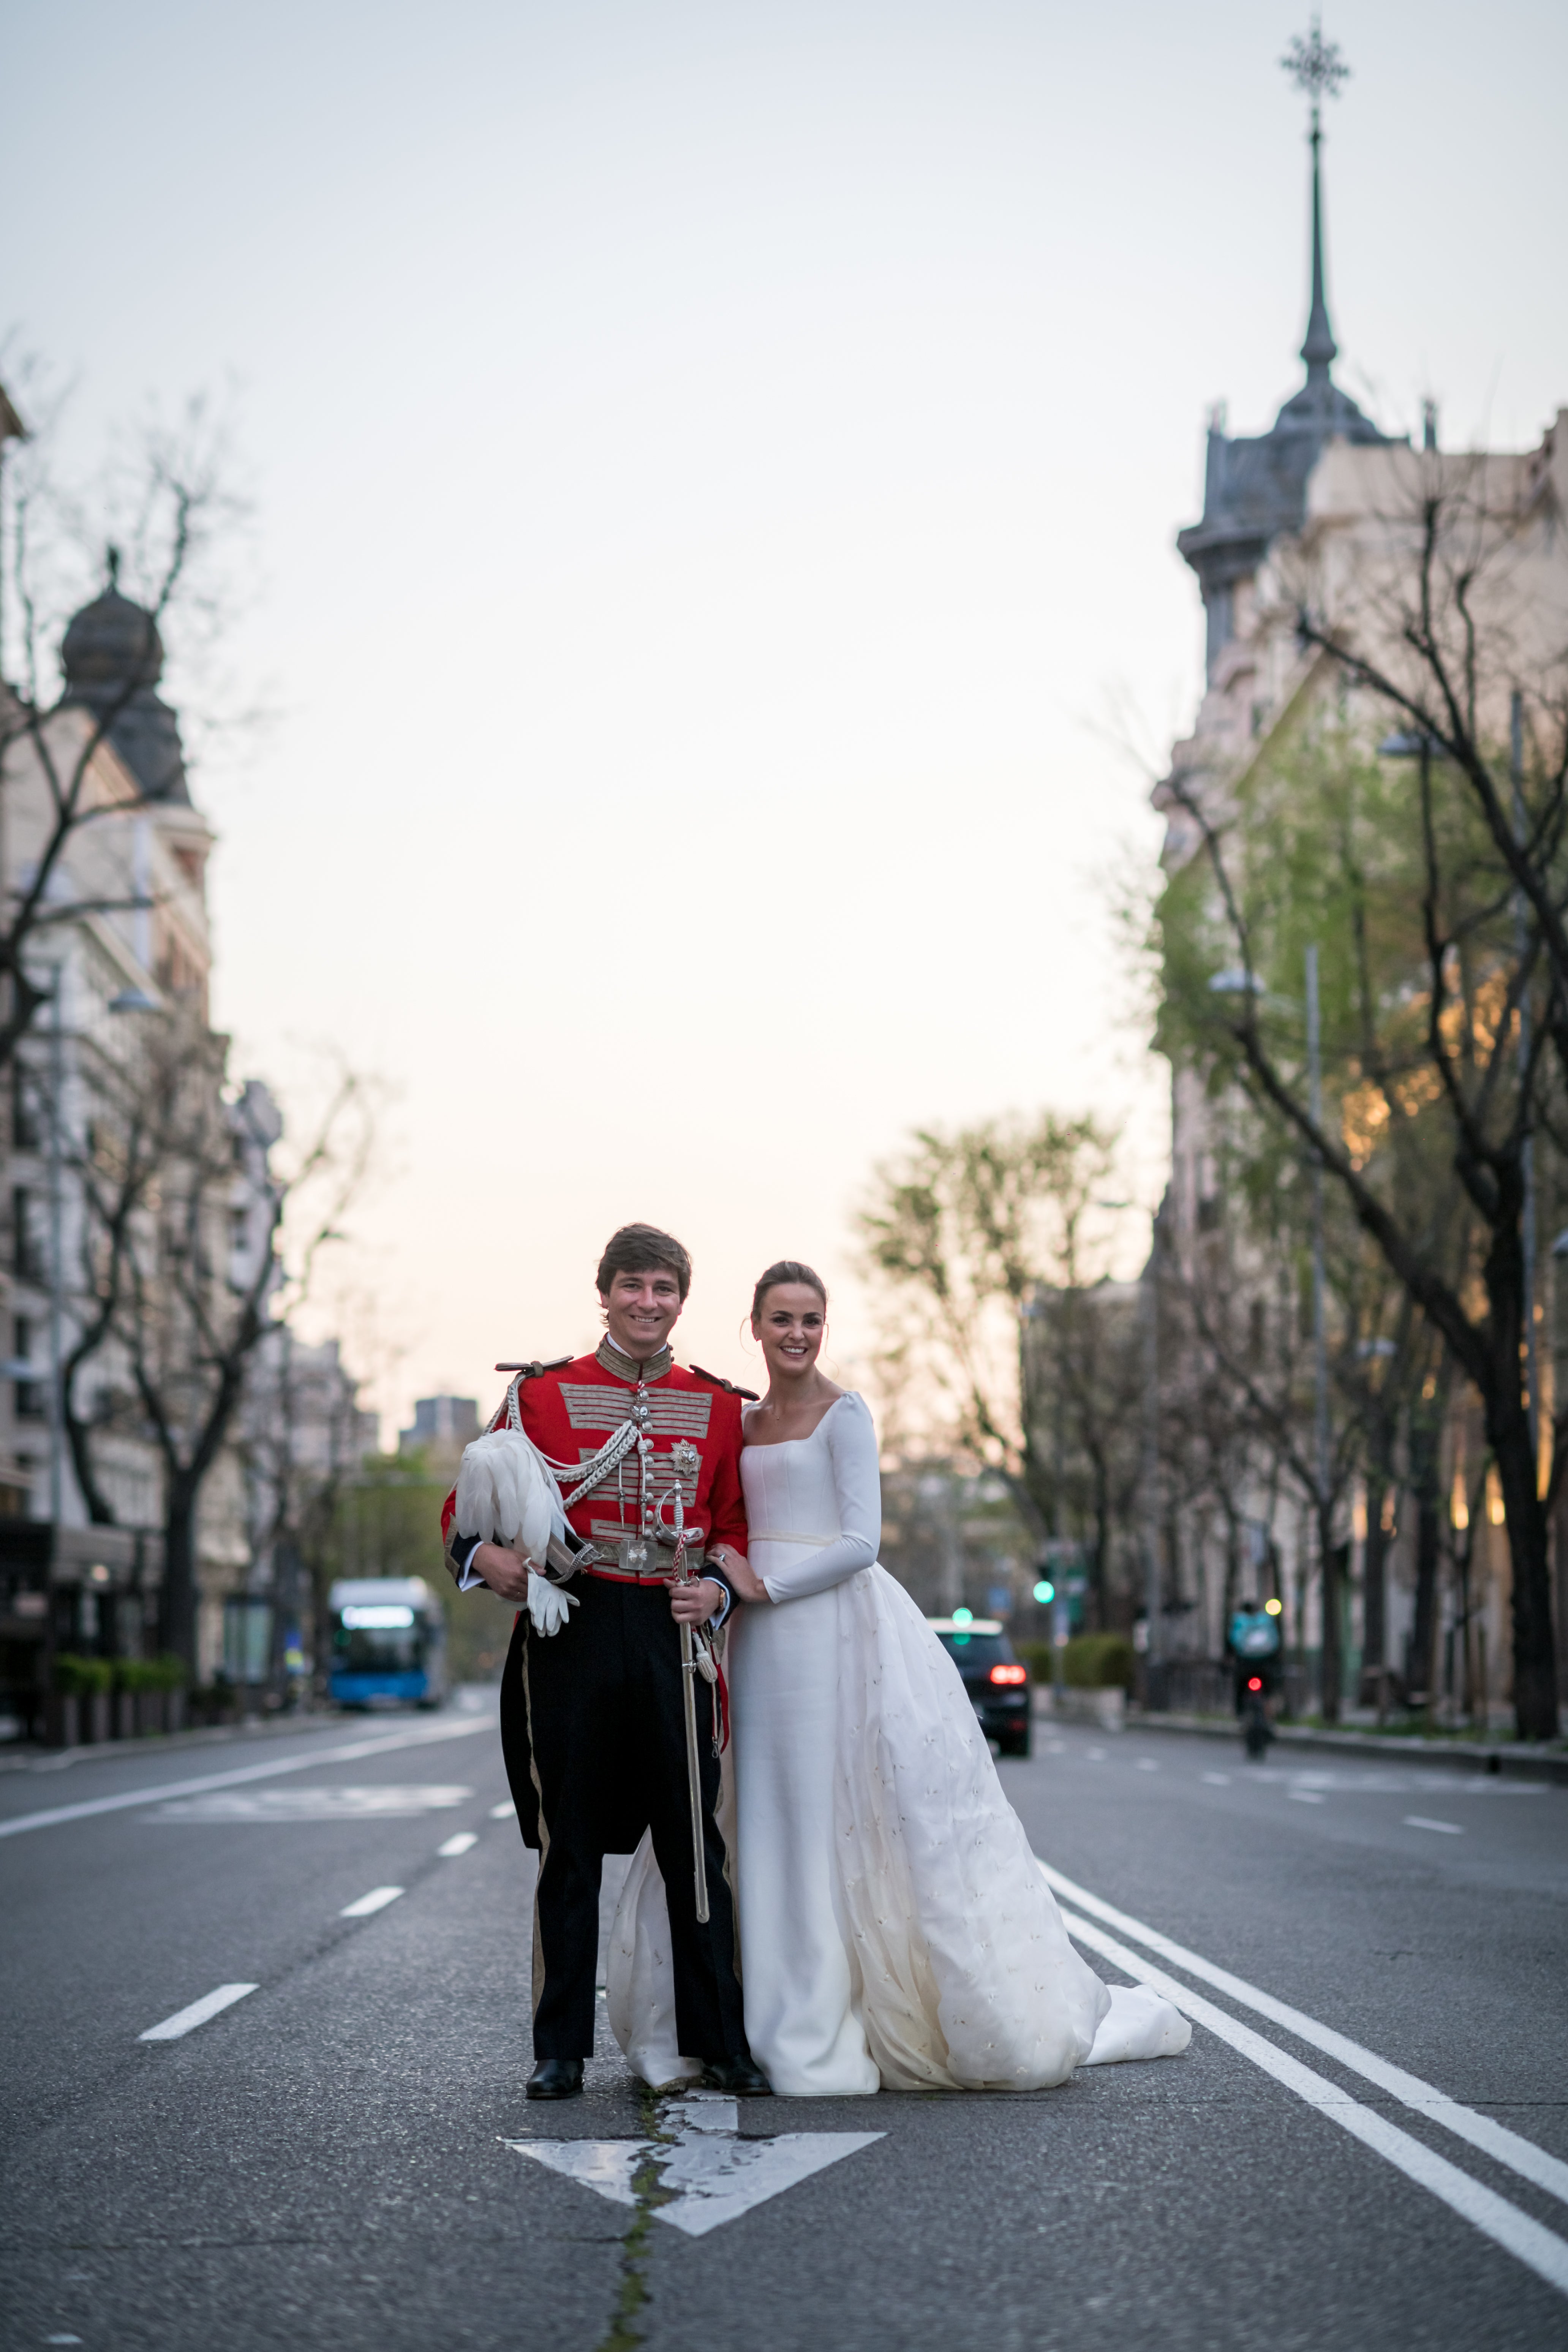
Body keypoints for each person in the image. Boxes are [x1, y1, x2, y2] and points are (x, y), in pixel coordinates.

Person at [605, 1259, 1191, 2095]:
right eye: (781, 1319)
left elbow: (861, 1543)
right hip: (751, 1642)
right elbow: (720, 1514)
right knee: (752, 1813)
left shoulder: (846, 1414)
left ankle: (810, 2020)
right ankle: (734, 2013)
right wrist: (719, 1577)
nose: (797, 1334)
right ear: (755, 1327)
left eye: (811, 1319)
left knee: (822, 1815)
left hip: (824, 1630)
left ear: (824, 1326)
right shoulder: (740, 1416)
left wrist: (766, 1583)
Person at [443, 1222, 769, 2102]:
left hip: (670, 1626)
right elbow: (464, 1508)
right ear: (605, 1291)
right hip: (571, 1622)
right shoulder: (539, 1393)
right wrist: (488, 1561)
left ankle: (719, 2039)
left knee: (695, 1842)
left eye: (663, 1288)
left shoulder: (718, 1404)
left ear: (680, 1300)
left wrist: (717, 1588)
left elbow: (733, 1527)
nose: (646, 1302)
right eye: (632, 1285)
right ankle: (559, 2047)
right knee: (569, 1842)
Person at [1227, 1595, 1283, 1714]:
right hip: (1265, 1664)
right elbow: (1276, 1642)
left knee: (1240, 1688)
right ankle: (1270, 1713)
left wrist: (1228, 1659)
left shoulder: (1238, 1621)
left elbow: (1231, 1642)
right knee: (1268, 1689)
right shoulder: (1266, 1620)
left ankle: (1240, 1714)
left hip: (1245, 1664)